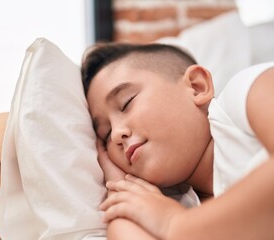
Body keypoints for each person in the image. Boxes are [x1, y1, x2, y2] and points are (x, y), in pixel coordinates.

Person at [81, 42, 274, 240]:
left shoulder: (241, 97)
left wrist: (174, 224)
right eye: (105, 134)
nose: (115, 135)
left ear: (197, 87)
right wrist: (120, 187)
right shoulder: (167, 204)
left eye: (126, 102)